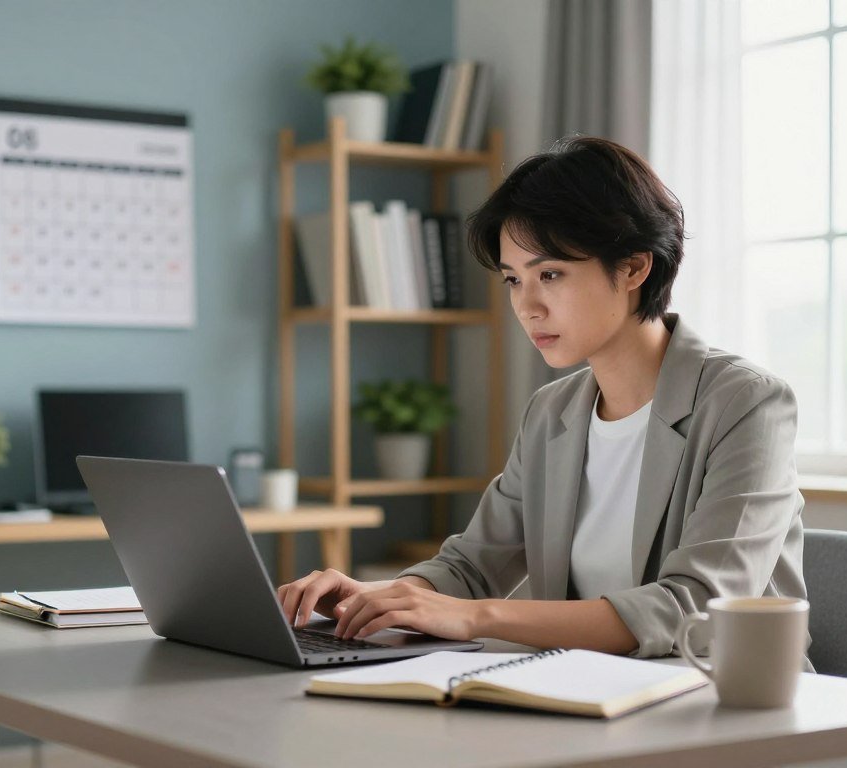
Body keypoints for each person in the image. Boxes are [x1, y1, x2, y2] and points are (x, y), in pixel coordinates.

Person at [277, 136, 807, 662]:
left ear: (633, 268)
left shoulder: (747, 405)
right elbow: (472, 566)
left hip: (727, 703)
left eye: (550, 275)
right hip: (588, 695)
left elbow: (695, 608)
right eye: (513, 280)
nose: (526, 306)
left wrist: (478, 616)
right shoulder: (551, 412)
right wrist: (378, 598)